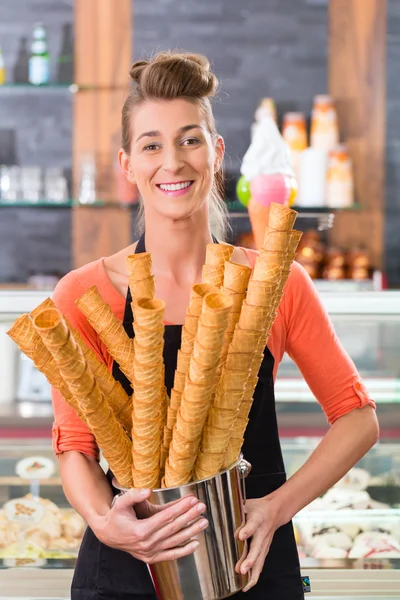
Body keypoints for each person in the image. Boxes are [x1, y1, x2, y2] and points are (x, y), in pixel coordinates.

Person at [52, 51, 379, 600]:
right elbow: (76, 447)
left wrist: (277, 508)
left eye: (190, 139)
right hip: (129, 566)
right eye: (151, 144)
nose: (172, 162)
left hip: (252, 558)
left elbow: (358, 418)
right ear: (127, 165)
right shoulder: (85, 294)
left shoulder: (276, 283)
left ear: (217, 151)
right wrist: (109, 523)